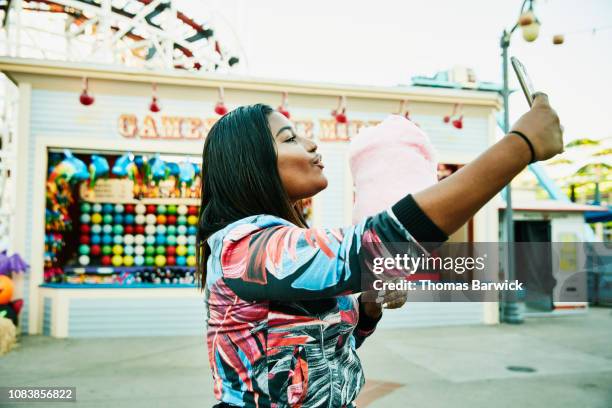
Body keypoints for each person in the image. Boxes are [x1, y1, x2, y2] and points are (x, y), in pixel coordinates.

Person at [196, 93, 563, 407]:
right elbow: (379, 240)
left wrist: (368, 307)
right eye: (290, 139)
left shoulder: (285, 241)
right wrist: (519, 146)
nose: (311, 145)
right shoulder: (241, 248)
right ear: (251, 163)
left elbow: (329, 349)